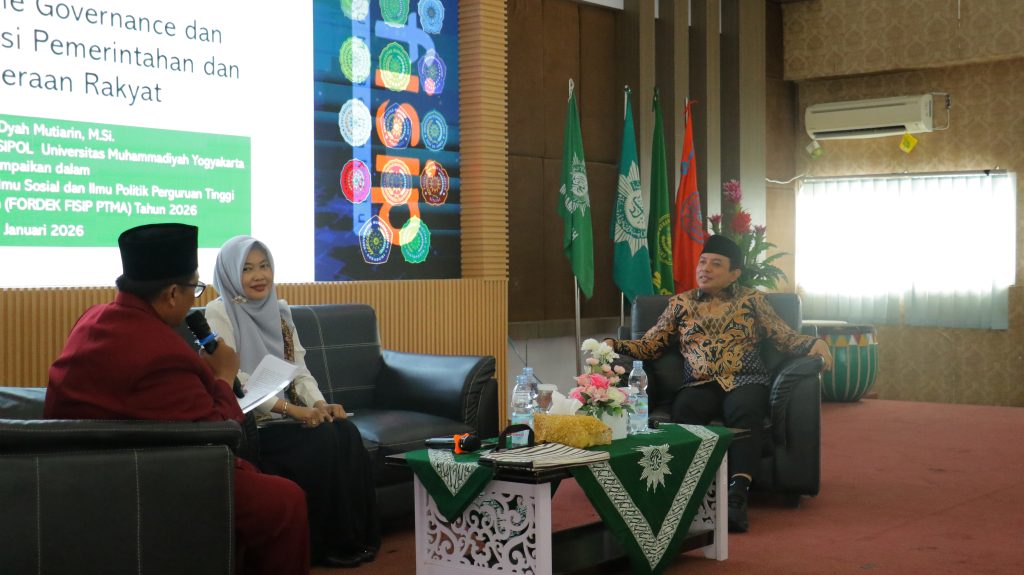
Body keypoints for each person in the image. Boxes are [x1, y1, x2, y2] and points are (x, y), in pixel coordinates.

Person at [45, 223, 310, 575]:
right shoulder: (163, 352)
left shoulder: (91, 318)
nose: (193, 299)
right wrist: (223, 374)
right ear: (172, 294)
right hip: (144, 476)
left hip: (74, 470)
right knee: (285, 501)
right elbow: (221, 434)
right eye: (194, 288)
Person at [604, 234, 832, 533]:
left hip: (746, 379)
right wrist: (613, 345)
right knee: (685, 411)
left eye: (715, 264)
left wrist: (814, 343)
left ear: (734, 273)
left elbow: (782, 335)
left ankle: (737, 495)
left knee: (746, 412)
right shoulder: (681, 303)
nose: (705, 269)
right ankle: (689, 493)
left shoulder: (751, 300)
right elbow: (650, 345)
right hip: (698, 383)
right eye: (702, 262)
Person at [205, 235, 380, 569]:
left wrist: (320, 405)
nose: (259, 276)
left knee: (345, 431)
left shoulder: (280, 311)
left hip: (288, 418)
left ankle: (353, 538)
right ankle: (322, 545)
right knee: (322, 440)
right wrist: (292, 410)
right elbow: (236, 380)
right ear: (230, 273)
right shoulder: (219, 312)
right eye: (247, 269)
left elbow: (299, 369)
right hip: (253, 425)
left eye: (264, 266)